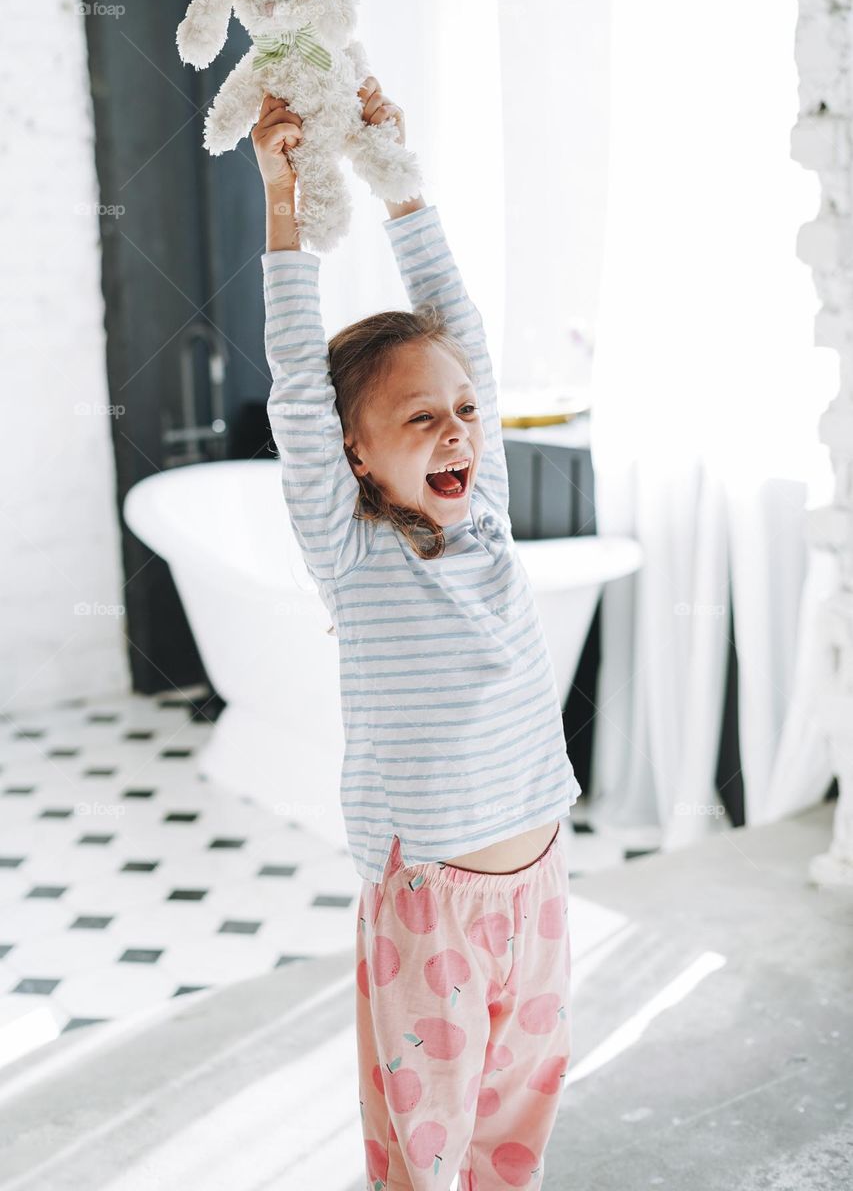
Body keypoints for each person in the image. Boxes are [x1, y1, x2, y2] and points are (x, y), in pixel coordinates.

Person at [252, 78, 581, 1190]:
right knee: (426, 1132)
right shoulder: (351, 550)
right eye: (418, 417)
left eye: (464, 410)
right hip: (429, 899)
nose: (455, 428)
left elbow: (460, 331)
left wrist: (400, 179)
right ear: (356, 455)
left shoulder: (478, 512)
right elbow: (300, 388)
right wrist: (285, 206)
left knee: (518, 1108)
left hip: (534, 879)